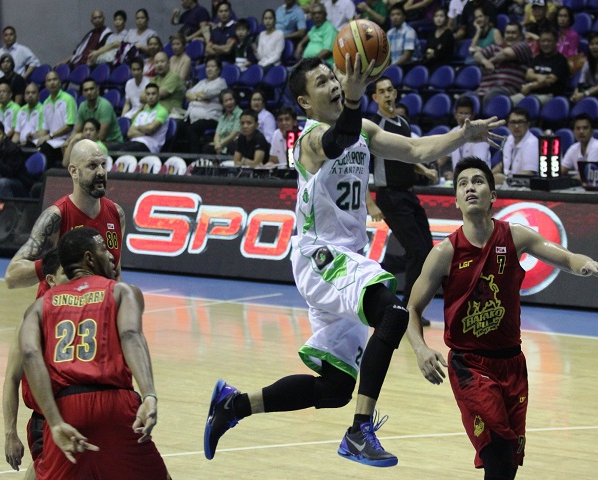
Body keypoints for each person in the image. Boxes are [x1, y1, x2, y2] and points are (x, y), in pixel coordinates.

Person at [203, 56, 503, 467]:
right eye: (321, 82)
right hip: (320, 255)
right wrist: (355, 98)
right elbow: (336, 140)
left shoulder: (362, 128)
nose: (332, 84)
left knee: (335, 388)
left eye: (332, 77)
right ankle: (359, 432)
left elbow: (415, 149)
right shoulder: (308, 141)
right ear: (305, 102)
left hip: (347, 260)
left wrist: (462, 135)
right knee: (393, 312)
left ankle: (233, 405)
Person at [405, 156, 598, 480]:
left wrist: (585, 265)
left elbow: (567, 257)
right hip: (470, 365)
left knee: (508, 465)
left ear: (492, 195)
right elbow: (412, 309)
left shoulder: (515, 236)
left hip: (513, 364)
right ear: (456, 200)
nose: (470, 188)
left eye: (477, 181)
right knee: (498, 453)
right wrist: (420, 349)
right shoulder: (445, 252)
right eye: (462, 184)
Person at [19, 227, 169, 479]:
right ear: (89, 258)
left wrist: (54, 421)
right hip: (115, 404)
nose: (111, 255)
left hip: (66, 407)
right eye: (103, 249)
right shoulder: (122, 291)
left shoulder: (39, 306)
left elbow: (30, 355)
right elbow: (131, 335)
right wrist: (149, 395)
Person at [4, 138, 125, 291]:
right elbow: (11, 277)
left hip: (94, 305)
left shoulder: (116, 214)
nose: (101, 172)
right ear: (74, 171)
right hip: (58, 304)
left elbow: (116, 273)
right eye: (92, 166)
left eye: (103, 165)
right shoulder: (55, 217)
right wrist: (58, 260)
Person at [370, 76, 437, 327]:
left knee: (426, 251)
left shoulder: (403, 123)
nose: (387, 95)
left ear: (395, 93)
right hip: (389, 197)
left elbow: (407, 154)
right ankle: (409, 310)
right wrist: (369, 203)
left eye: (390, 90)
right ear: (375, 98)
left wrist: (423, 169)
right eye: (382, 92)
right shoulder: (373, 126)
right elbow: (361, 166)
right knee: (417, 251)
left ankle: (383, 267)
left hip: (408, 194)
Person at [2, 248, 68, 479]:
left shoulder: (92, 309)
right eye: (67, 273)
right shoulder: (33, 320)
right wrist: (10, 433)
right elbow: (11, 378)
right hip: (46, 420)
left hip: (83, 413)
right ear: (51, 280)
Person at [473, 21, 532, 105]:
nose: (510, 35)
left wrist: (491, 61)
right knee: (466, 99)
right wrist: (484, 62)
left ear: (520, 35)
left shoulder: (524, 46)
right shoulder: (495, 47)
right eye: (508, 33)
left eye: (513, 33)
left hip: (507, 89)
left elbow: (507, 53)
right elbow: (477, 54)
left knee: (491, 96)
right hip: (483, 90)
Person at [180, 55, 227, 154]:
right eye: (207, 66)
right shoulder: (202, 82)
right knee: (179, 127)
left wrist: (197, 96)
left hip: (211, 117)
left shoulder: (221, 83)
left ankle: (195, 158)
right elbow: (188, 94)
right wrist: (199, 98)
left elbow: (207, 94)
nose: (209, 69)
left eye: (212, 66)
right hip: (192, 117)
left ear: (218, 69)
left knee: (192, 129)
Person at [511, 27, 569, 106]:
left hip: (549, 96)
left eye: (549, 41)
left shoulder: (561, 60)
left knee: (528, 104)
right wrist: (539, 77)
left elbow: (550, 81)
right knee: (509, 101)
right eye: (543, 41)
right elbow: (528, 75)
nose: (545, 44)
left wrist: (530, 86)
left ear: (556, 42)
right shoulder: (537, 58)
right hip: (530, 94)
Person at [438, 95, 491, 180]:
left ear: (473, 115)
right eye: (460, 113)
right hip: (459, 181)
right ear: (455, 114)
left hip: (478, 180)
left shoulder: (480, 136)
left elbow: (478, 167)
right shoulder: (453, 133)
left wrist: (456, 175)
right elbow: (442, 159)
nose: (463, 118)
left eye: (466, 114)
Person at [561, 113, 598, 188]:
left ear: (592, 131)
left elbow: (587, 176)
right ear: (574, 131)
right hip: (591, 188)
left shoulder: (597, 147)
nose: (581, 131)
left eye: (585, 128)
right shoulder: (573, 148)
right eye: (578, 128)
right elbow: (562, 170)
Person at [35, 71, 76, 170]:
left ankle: (45, 177)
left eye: (54, 79)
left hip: (66, 141)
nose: (52, 82)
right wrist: (33, 137)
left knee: (45, 149)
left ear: (60, 82)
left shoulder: (68, 99)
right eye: (49, 80)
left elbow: (69, 126)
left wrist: (50, 136)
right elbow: (45, 129)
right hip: (53, 141)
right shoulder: (46, 103)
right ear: (46, 85)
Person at [0, 120, 32, 202]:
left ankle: (8, 209)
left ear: (4, 135)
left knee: (3, 182)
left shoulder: (13, 149)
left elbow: (10, 173)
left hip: (18, 183)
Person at [71, 78, 123, 149]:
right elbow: (76, 131)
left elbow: (101, 136)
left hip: (112, 142)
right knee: (70, 145)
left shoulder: (104, 106)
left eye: (91, 89)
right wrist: (69, 142)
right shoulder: (82, 106)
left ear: (97, 90)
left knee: (86, 148)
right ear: (83, 93)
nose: (89, 92)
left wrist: (82, 140)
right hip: (92, 140)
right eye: (86, 90)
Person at [119, 83, 170, 153]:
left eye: (153, 94)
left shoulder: (162, 111)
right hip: (135, 142)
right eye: (148, 94)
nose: (151, 97)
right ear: (145, 96)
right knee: (111, 149)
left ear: (158, 96)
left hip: (150, 146)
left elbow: (150, 129)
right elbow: (130, 133)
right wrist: (146, 132)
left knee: (122, 151)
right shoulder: (142, 113)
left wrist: (138, 127)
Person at [494, 107, 538, 184]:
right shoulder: (509, 139)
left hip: (524, 186)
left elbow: (529, 174)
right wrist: (487, 177)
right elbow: (503, 164)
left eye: (520, 122)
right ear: (508, 124)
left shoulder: (532, 144)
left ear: (528, 124)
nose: (516, 126)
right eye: (513, 122)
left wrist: (505, 180)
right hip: (509, 184)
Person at [571, 33, 598, 105]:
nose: (594, 47)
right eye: (591, 44)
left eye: (597, 44)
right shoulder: (587, 63)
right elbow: (581, 81)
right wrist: (576, 94)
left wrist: (584, 94)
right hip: (587, 90)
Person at [387, 2, 422, 71]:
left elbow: (406, 56)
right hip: (394, 67)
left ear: (404, 17)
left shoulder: (409, 31)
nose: (395, 17)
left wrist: (391, 67)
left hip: (409, 67)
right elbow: (387, 55)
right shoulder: (389, 33)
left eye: (398, 14)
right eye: (392, 15)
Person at [207, 88, 242, 155]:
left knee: (231, 145)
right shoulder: (222, 117)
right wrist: (217, 144)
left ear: (235, 100)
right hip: (220, 145)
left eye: (230, 99)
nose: (229, 102)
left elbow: (234, 134)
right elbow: (217, 134)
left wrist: (220, 144)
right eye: (226, 101)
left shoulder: (240, 114)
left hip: (233, 143)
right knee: (207, 147)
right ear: (222, 104)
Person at [423, 7, 454, 72]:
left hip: (443, 64)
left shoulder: (448, 34)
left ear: (446, 18)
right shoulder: (431, 34)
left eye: (441, 16)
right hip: (430, 63)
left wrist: (434, 53)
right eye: (436, 16)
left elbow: (445, 52)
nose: (438, 19)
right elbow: (426, 49)